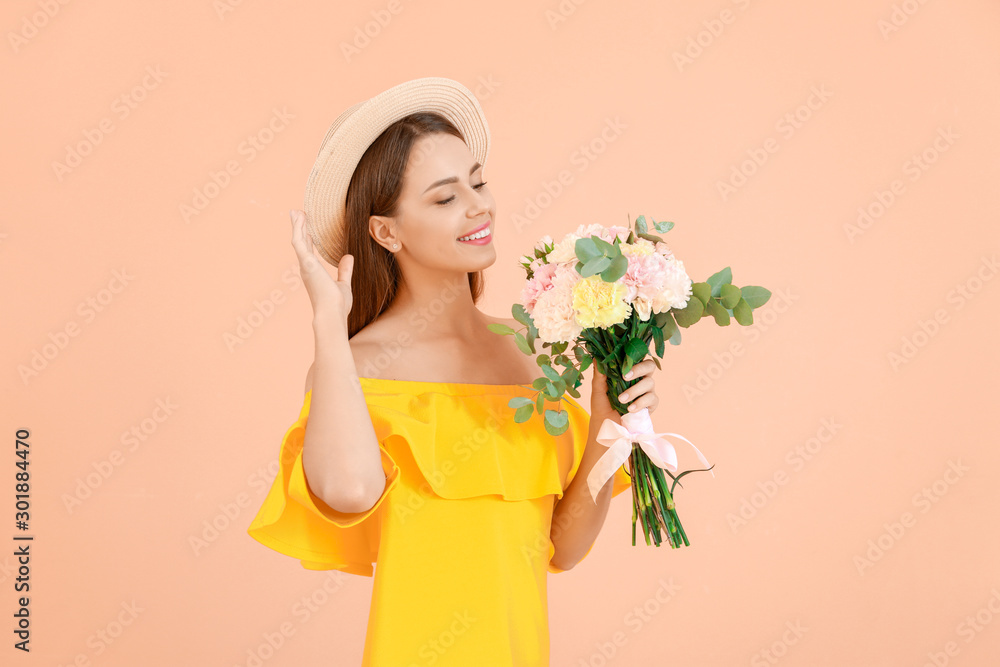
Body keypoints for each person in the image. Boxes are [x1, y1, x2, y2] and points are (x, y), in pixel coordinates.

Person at [246, 77, 659, 666]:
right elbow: (347, 490)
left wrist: (609, 422)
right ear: (385, 231)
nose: (478, 205)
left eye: (479, 181)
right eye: (445, 198)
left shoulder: (533, 352)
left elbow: (564, 547)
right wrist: (327, 325)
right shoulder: (354, 367)